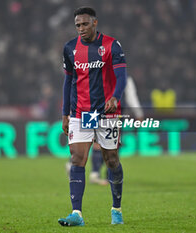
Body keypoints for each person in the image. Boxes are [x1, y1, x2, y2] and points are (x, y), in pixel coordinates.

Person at [58, 7, 127, 226]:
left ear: (94, 23)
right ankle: (76, 213)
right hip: (81, 112)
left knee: (111, 159)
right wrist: (65, 113)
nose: (81, 29)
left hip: (106, 112)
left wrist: (115, 97)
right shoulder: (70, 48)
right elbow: (68, 81)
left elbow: (122, 76)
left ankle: (116, 208)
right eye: (77, 25)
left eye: (85, 24)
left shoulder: (111, 45)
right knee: (78, 158)